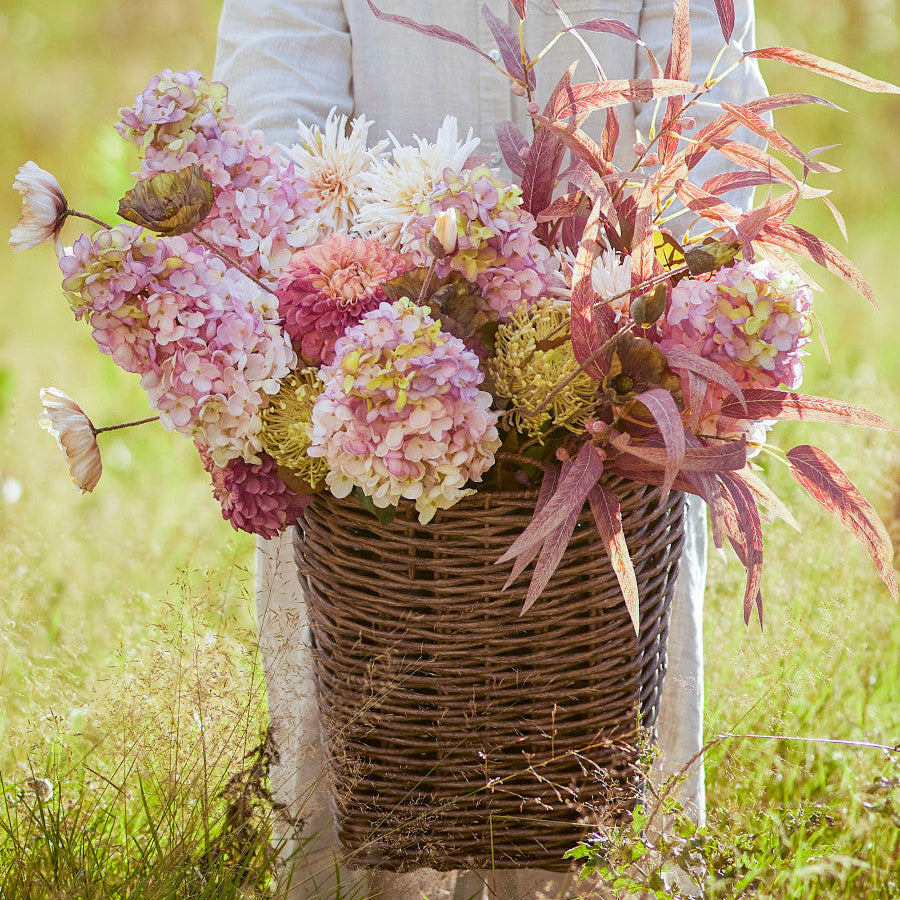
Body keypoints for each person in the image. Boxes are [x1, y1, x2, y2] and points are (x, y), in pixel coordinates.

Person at [214, 2, 767, 897]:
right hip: (370, 457)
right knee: (380, 825)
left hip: (611, 441)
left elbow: (716, 137)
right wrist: (402, 350)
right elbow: (274, 140)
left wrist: (623, 332)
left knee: (594, 826)